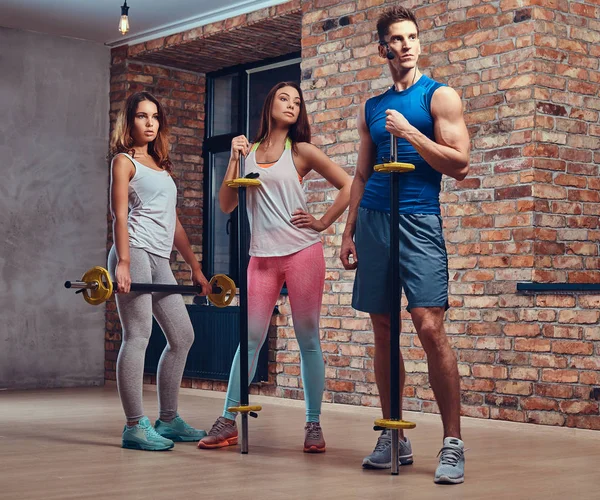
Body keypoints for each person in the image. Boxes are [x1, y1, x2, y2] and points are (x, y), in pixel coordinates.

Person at [339, 6, 470, 484]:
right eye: (397, 38)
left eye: (413, 36)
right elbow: (360, 173)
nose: (407, 44)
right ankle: (394, 435)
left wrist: (411, 131)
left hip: (418, 218)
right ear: (383, 49)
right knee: (383, 327)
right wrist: (348, 230)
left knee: (428, 326)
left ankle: (452, 443)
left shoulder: (439, 96)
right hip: (373, 217)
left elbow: (459, 164)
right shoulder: (371, 107)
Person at [198, 82, 352, 453]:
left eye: (297, 101)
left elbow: (349, 185)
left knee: (307, 339)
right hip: (261, 259)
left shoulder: (301, 151)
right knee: (248, 341)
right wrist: (234, 158)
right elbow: (225, 204)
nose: (292, 104)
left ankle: (313, 423)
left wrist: (323, 222)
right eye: (284, 98)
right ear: (269, 105)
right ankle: (227, 421)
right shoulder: (246, 152)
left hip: (302, 253)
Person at [108, 91, 211, 451]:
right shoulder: (124, 161)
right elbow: (120, 216)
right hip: (133, 251)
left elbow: (174, 223)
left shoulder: (162, 166)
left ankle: (168, 421)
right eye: (141, 116)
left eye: (154, 116)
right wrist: (122, 262)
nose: (149, 123)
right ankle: (135, 425)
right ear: (129, 121)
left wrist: (195, 267)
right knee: (138, 336)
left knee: (182, 336)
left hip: (159, 257)